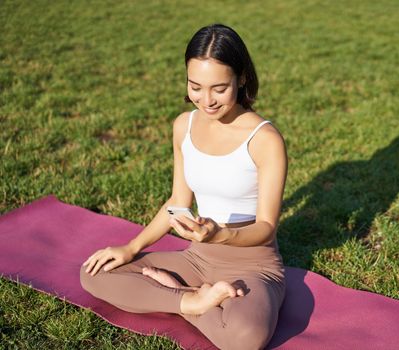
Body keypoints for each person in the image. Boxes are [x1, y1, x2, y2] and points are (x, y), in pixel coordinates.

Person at [80, 23, 287, 350]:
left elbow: (267, 227)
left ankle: (176, 295)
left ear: (242, 78)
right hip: (197, 258)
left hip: (252, 264)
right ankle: (192, 302)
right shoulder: (183, 126)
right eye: (196, 86)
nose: (207, 100)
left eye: (219, 88)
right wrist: (132, 248)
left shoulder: (264, 139)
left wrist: (220, 235)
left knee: (245, 337)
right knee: (94, 273)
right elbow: (178, 200)